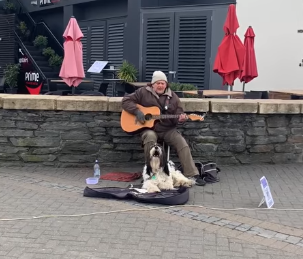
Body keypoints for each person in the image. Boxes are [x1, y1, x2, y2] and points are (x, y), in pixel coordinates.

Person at [121, 71, 206, 186]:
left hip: (167, 129)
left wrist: (180, 119)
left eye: (163, 83)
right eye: (158, 83)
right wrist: (137, 112)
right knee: (150, 137)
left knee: (182, 142)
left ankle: (192, 174)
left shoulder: (173, 97)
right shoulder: (142, 92)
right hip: (150, 129)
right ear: (153, 84)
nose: (160, 85)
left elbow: (178, 113)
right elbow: (125, 101)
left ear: (166, 84)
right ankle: (149, 173)